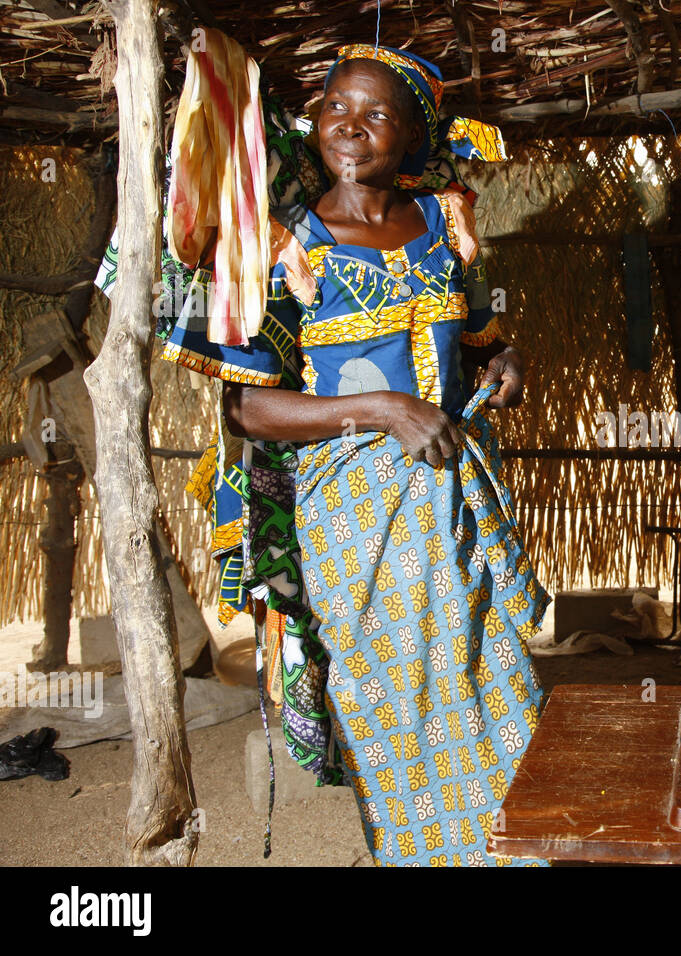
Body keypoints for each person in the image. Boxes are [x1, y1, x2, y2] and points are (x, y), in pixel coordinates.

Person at [161, 45, 546, 866]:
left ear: (412, 135)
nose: (351, 127)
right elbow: (246, 406)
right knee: (393, 702)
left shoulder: (446, 225)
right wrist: (380, 409)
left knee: (502, 688)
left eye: (377, 116)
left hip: (452, 503)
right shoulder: (280, 247)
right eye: (337, 107)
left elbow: (481, 342)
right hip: (353, 521)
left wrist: (505, 362)